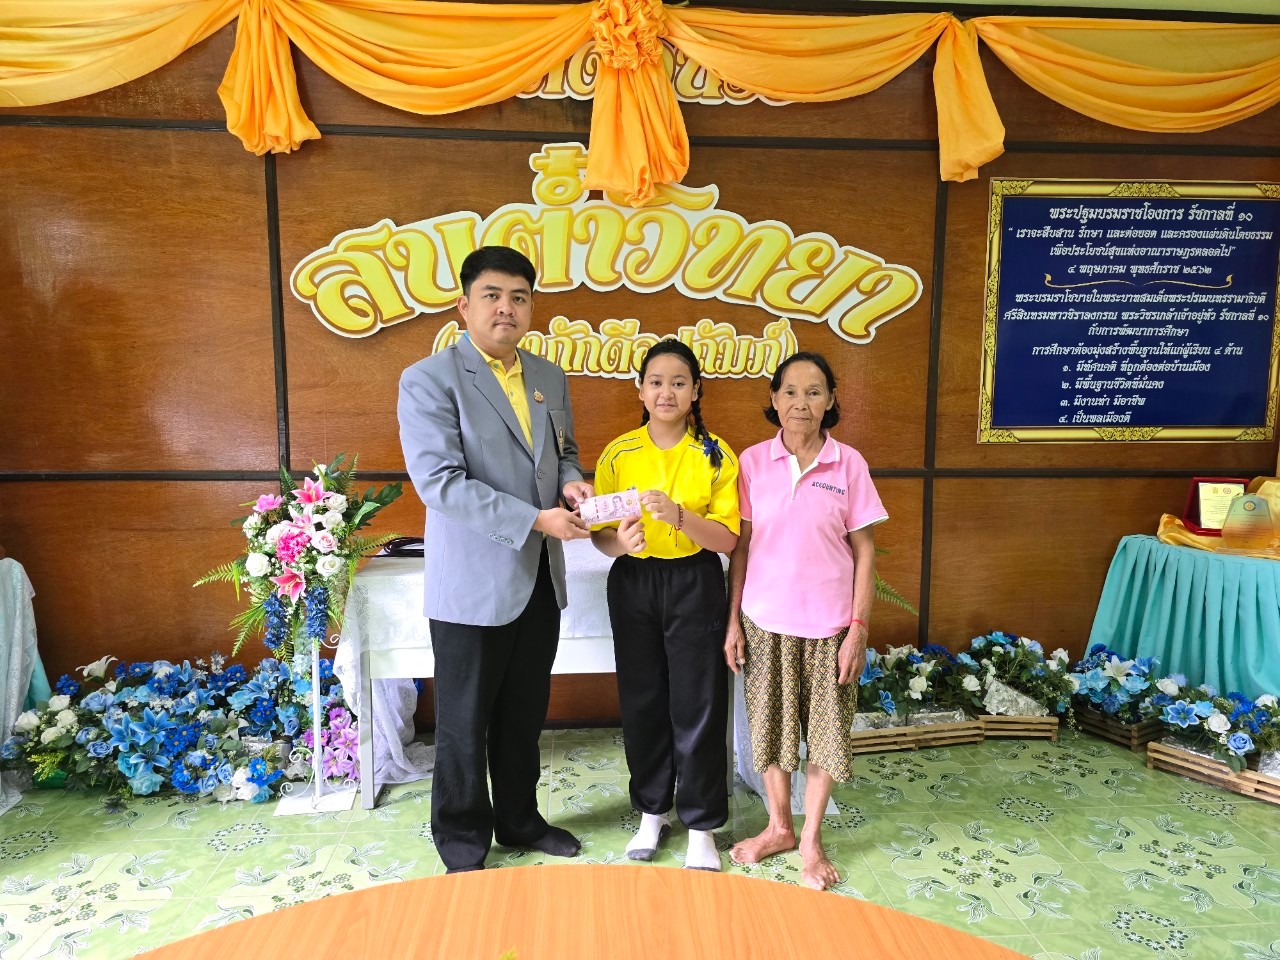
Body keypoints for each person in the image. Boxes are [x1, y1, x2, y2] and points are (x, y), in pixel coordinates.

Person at [398, 245, 594, 873]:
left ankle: (519, 820)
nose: (506, 308)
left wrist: (573, 484)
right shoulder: (429, 379)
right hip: (472, 584)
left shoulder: (548, 377)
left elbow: (564, 453)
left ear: (531, 307)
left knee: (523, 715)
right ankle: (461, 842)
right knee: (464, 722)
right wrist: (536, 519)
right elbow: (441, 483)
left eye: (519, 297)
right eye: (492, 295)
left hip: (539, 578)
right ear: (464, 305)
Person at [723, 351, 886, 891]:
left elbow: (865, 551)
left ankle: (811, 840)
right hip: (764, 621)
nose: (801, 403)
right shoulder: (752, 462)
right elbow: (742, 547)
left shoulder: (849, 464)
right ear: (774, 399)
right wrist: (732, 621)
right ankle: (779, 828)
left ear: (831, 400)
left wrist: (858, 627)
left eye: (814, 392)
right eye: (790, 391)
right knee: (770, 733)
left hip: (830, 627)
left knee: (825, 737)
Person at [590, 339, 739, 871]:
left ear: (696, 390)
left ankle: (701, 824)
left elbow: (727, 539)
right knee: (642, 699)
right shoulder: (617, 454)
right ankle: (652, 811)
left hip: (694, 579)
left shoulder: (716, 454)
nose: (666, 392)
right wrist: (618, 544)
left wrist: (679, 516)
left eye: (679, 382)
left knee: (699, 702)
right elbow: (599, 534)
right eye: (656, 382)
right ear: (640, 389)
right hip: (634, 582)